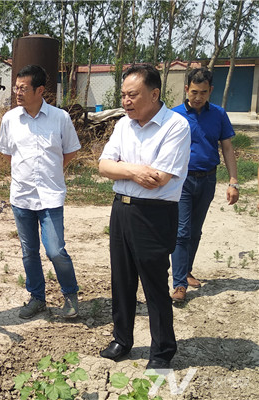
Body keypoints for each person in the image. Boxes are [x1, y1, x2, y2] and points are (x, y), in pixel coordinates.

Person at [98, 64, 191, 370]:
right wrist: (136, 170)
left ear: (154, 94)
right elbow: (104, 166)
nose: (126, 101)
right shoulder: (123, 125)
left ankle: (162, 351)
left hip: (154, 213)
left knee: (154, 285)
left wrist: (122, 167)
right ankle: (122, 339)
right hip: (122, 210)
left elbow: (159, 178)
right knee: (121, 280)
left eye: (133, 95)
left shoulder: (175, 126)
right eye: (123, 94)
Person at [0, 64, 81, 319]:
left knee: (55, 250)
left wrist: (52, 170)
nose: (17, 93)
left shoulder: (60, 118)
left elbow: (70, 151)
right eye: (16, 88)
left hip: (50, 196)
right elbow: (8, 153)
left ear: (40, 90)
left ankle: (70, 294)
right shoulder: (10, 119)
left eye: (23, 88)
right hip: (21, 197)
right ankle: (37, 298)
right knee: (29, 252)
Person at [170, 67, 239, 303]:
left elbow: (227, 147)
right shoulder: (174, 115)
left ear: (210, 91)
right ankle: (179, 284)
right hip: (182, 181)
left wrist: (233, 181)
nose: (198, 97)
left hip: (208, 179)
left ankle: (186, 270)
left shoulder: (219, 114)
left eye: (203, 92)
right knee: (182, 231)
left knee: (195, 230)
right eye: (194, 92)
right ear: (186, 89)